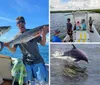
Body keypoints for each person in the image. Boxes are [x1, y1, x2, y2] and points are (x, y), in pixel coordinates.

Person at [4, 16, 49, 85]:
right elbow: (13, 51)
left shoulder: (33, 31)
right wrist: (7, 46)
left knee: (42, 82)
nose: (20, 23)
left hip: (38, 61)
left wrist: (44, 35)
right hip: (26, 63)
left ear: (25, 23)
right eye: (18, 22)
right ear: (17, 25)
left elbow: (42, 44)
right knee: (28, 83)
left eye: (22, 21)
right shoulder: (16, 37)